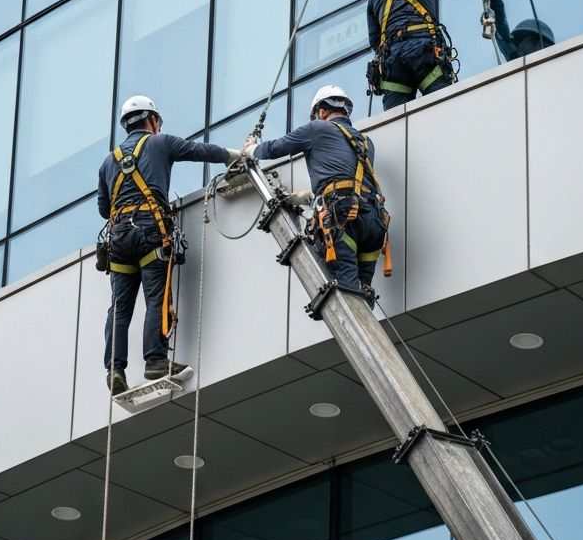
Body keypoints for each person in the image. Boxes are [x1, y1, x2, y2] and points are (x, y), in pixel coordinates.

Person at [98, 95, 240, 396]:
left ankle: (115, 369)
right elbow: (200, 150)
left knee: (120, 308)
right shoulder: (161, 144)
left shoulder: (108, 162)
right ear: (152, 120)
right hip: (151, 231)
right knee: (156, 298)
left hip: (119, 239)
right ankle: (156, 361)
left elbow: (103, 208)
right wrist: (233, 156)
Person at [243, 86, 389, 299]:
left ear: (321, 112)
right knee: (363, 291)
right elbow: (349, 179)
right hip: (374, 223)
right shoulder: (367, 143)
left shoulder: (317, 129)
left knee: (348, 291)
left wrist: (251, 149)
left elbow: (275, 148)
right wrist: (312, 197)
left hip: (344, 219)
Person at [367, 0, 489, 111]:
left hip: (393, 61)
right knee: (442, 109)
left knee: (396, 123)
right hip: (424, 51)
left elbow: (375, 42)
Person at [486, 0, 555, 61]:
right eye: (519, 43)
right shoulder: (516, 62)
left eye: (529, 41)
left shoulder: (556, 67)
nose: (521, 46)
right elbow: (501, 33)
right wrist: (494, 2)